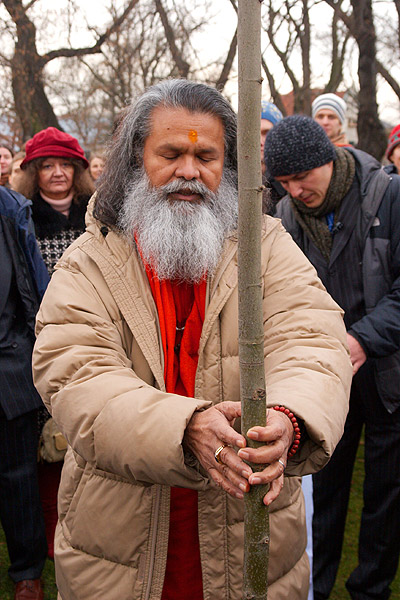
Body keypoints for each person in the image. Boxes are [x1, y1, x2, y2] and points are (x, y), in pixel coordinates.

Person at [32, 79, 351, 600]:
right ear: (138, 159)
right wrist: (184, 428)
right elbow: (75, 371)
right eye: (172, 153)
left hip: (248, 531)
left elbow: (313, 338)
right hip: (120, 545)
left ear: (228, 167)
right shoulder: (92, 258)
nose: (189, 170)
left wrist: (289, 418)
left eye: (206, 155)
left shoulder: (266, 246)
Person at [265, 115, 400, 600]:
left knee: (385, 498)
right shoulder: (280, 218)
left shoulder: (389, 196)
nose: (296, 190)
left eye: (303, 177)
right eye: (284, 182)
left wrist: (362, 339)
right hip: (321, 380)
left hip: (387, 376)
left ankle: (371, 588)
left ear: (328, 157)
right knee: (321, 492)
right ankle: (313, 588)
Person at [16, 127, 94, 560]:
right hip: (43, 340)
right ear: (34, 173)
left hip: (96, 337)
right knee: (49, 448)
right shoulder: (23, 219)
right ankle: (53, 534)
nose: (58, 173)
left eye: (66, 165)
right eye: (48, 166)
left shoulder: (97, 214)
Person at [0, 181, 49, 600]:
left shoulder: (13, 210)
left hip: (8, 368)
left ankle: (28, 573)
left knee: (18, 479)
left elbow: (37, 288)